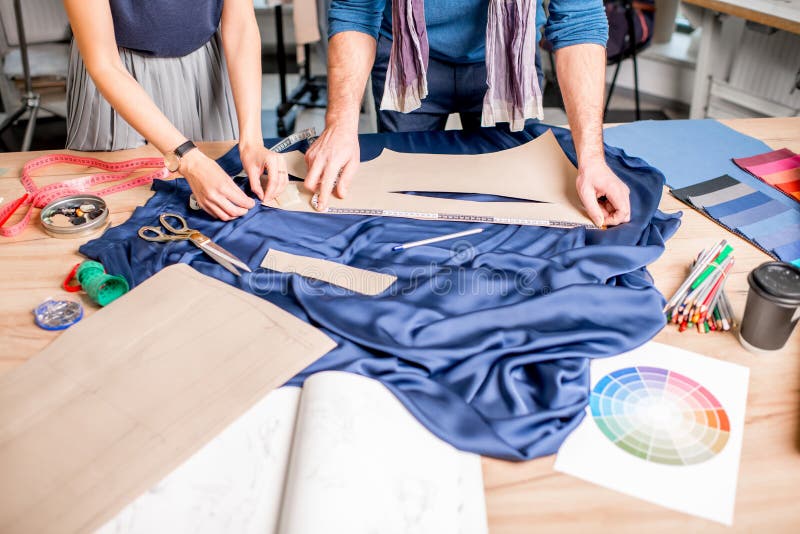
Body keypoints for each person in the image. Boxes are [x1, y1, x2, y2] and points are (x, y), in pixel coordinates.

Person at [304, 0, 631, 228]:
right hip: (407, 53)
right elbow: (356, 9)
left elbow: (579, 19)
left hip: (508, 57)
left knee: (519, 203)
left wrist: (591, 160)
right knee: (402, 203)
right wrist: (340, 124)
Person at [64, 0, 288, 221]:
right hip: (117, 79)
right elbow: (104, 63)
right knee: (112, 218)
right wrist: (188, 159)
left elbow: (241, 25)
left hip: (205, 75)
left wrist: (251, 142)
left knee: (221, 208)